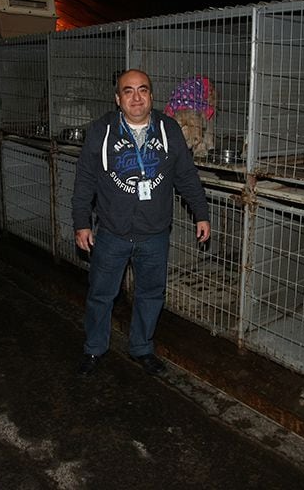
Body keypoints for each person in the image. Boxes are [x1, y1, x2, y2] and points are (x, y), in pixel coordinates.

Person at [71, 69, 211, 376]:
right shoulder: (101, 131)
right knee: (101, 294)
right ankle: (94, 349)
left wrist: (201, 213)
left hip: (155, 233)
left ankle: (142, 348)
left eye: (143, 90)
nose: (136, 97)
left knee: (151, 294)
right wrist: (82, 222)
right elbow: (84, 180)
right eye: (128, 91)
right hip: (112, 232)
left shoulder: (169, 129)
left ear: (150, 95)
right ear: (118, 98)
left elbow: (186, 175)